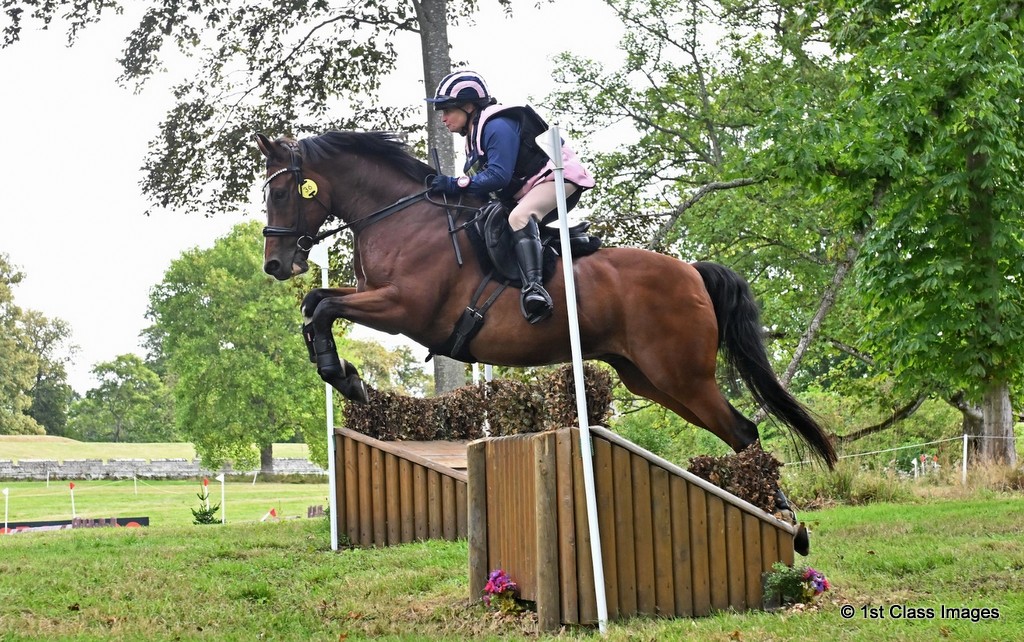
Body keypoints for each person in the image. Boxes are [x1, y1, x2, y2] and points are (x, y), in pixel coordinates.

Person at [425, 70, 595, 324]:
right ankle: (565, 242)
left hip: (558, 180)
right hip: (530, 187)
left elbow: (497, 177)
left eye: (447, 110)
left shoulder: (496, 125)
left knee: (520, 217)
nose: (444, 118)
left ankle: (535, 291)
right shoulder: (473, 137)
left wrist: (454, 184)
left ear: (469, 106)